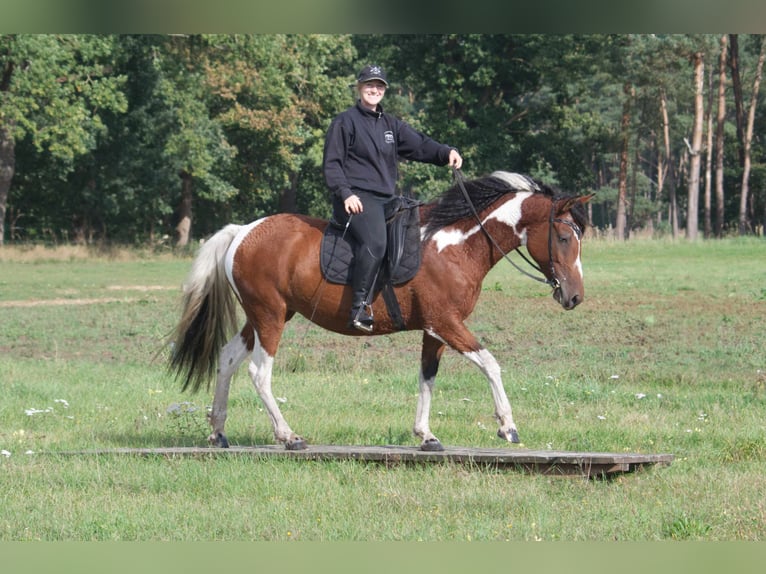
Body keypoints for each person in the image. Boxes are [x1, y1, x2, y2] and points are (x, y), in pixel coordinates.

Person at [323, 64, 463, 333]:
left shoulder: (390, 125)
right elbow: (332, 164)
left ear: (384, 90)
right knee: (376, 241)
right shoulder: (345, 122)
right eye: (369, 85)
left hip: (386, 198)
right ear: (359, 87)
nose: (374, 89)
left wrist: (446, 152)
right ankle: (360, 307)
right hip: (356, 198)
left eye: (379, 86)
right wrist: (345, 193)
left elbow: (419, 145)